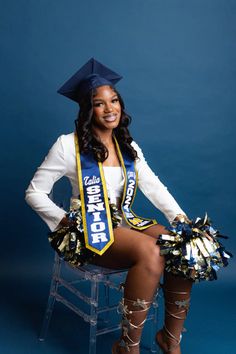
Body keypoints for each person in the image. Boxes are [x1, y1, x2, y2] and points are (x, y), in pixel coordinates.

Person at [25, 58, 193, 354]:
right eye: (100, 104)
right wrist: (66, 221)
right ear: (88, 110)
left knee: (180, 245)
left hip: (124, 222)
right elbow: (34, 193)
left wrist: (182, 220)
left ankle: (170, 338)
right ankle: (127, 346)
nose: (110, 108)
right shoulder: (68, 146)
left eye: (114, 100)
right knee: (151, 251)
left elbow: (154, 187)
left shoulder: (128, 146)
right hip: (90, 229)